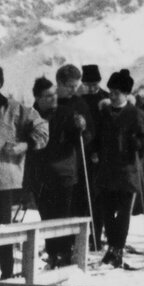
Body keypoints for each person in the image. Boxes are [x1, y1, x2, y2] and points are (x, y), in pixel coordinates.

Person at [0, 62, 48, 280]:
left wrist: (26, 145)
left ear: (0, 82)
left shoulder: (15, 108)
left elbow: (42, 127)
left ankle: (7, 273)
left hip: (4, 179)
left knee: (4, 229)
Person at [27, 66, 92, 267]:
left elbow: (82, 139)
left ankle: (64, 252)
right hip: (41, 174)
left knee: (62, 215)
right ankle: (53, 252)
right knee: (47, 216)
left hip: (63, 172)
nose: (53, 98)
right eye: (48, 96)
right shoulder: (31, 115)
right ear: (38, 98)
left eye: (54, 94)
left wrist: (80, 129)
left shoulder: (67, 113)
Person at [89, 69, 144, 267]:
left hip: (127, 171)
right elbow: (96, 137)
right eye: (111, 92)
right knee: (107, 212)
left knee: (124, 212)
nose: (112, 96)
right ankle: (112, 247)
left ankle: (117, 248)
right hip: (107, 170)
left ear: (126, 94)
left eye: (117, 93)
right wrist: (94, 150)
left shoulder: (136, 114)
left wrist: (139, 143)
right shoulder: (104, 114)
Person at [80, 64, 110, 248]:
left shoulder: (105, 99)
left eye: (94, 84)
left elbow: (106, 129)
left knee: (98, 196)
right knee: (84, 195)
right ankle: (85, 235)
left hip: (100, 153)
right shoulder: (80, 99)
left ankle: (97, 234)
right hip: (82, 151)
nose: (91, 87)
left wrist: (98, 151)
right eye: (87, 84)